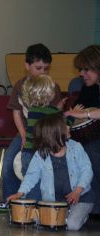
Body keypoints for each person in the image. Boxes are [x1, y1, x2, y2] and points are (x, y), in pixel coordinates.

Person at [0, 43, 65, 210]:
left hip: (47, 134)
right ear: (27, 66)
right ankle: (9, 202)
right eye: (38, 67)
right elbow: (16, 113)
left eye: (46, 69)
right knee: (8, 164)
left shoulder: (52, 86)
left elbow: (56, 115)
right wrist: (23, 135)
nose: (43, 72)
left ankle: (42, 202)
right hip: (25, 132)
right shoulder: (20, 86)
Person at [7, 113, 94, 230]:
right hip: (55, 201)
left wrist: (78, 190)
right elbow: (31, 176)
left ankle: (80, 215)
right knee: (38, 221)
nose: (68, 127)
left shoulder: (76, 147)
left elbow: (87, 170)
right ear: (54, 134)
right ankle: (66, 215)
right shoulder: (40, 154)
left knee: (72, 225)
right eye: (64, 126)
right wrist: (19, 193)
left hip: (81, 197)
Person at [65, 44, 100, 214]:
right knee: (76, 150)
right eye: (80, 69)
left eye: (86, 69)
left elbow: (84, 112)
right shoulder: (90, 86)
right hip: (95, 136)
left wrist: (85, 114)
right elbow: (76, 110)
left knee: (91, 152)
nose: (81, 74)